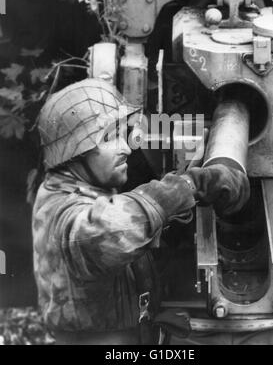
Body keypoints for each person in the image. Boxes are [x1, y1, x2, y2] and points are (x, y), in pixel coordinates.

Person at [32, 78, 250, 345]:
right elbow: (108, 234)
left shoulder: (85, 191)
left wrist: (180, 206)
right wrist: (190, 185)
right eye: (109, 138)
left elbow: (132, 242)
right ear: (75, 152)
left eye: (123, 135)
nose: (125, 148)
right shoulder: (61, 212)